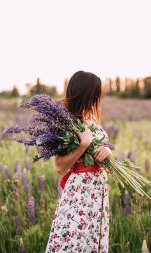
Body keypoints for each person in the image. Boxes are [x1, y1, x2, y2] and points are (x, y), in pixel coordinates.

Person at [45, 70, 112, 253]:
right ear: (85, 92)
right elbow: (59, 167)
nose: (97, 98)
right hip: (80, 192)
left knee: (91, 242)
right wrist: (82, 145)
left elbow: (102, 147)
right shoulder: (64, 122)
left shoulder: (90, 117)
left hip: (98, 190)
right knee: (73, 242)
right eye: (95, 93)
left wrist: (107, 151)